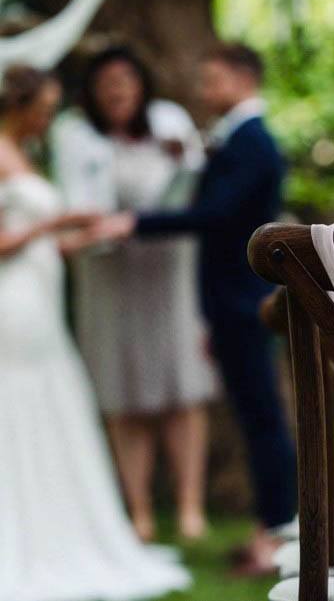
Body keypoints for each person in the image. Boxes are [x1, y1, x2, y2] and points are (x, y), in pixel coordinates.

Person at [93, 42, 297, 575]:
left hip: (244, 303)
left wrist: (134, 222)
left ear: (241, 79)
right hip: (227, 305)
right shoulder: (234, 141)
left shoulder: (253, 143)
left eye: (211, 79)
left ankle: (279, 536)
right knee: (257, 419)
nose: (203, 91)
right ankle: (270, 531)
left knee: (264, 421)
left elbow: (215, 215)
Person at [0, 64, 191, 601]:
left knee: (49, 398)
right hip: (11, 306)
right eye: (46, 104)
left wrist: (84, 233)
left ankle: (57, 524)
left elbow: (41, 243)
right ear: (21, 105)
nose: (50, 115)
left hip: (39, 300)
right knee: (16, 399)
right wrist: (49, 225)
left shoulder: (26, 155)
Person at [52, 46, 217, 542]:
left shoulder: (170, 120)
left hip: (170, 273)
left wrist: (181, 159)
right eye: (106, 81)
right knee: (124, 397)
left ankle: (191, 508)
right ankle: (138, 510)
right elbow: (76, 201)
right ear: (92, 91)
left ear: (141, 83)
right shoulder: (75, 135)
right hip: (109, 278)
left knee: (182, 391)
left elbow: (199, 188)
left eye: (125, 78)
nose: (117, 89)